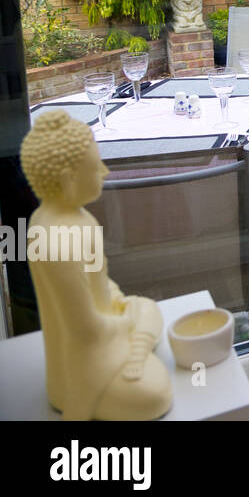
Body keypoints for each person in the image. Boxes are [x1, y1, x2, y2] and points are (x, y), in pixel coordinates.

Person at [20, 110, 172, 420]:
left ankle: (136, 351)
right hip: (85, 359)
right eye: (95, 166)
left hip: (107, 328)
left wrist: (119, 302)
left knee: (148, 307)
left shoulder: (80, 218)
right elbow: (84, 330)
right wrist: (129, 323)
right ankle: (134, 355)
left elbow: (99, 283)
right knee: (156, 394)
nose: (104, 171)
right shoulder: (53, 238)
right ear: (68, 178)